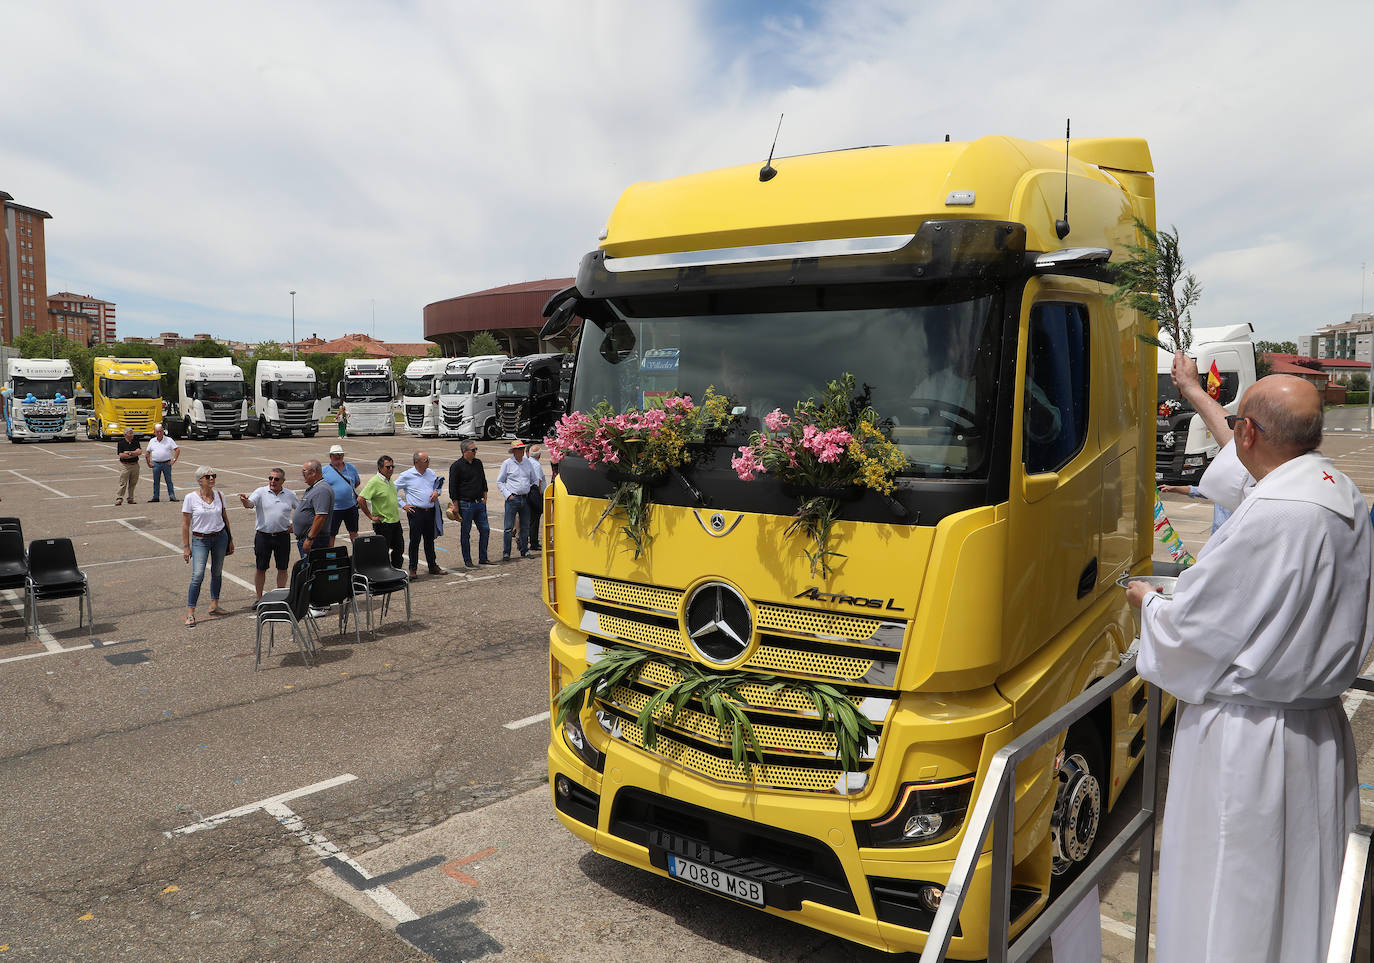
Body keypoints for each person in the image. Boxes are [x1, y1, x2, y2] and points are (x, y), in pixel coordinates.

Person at [1126, 374, 1374, 961]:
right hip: (1316, 731)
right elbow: (1248, 472)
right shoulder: (1340, 494)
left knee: (1234, 891)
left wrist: (1148, 603)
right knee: (1304, 887)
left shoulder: (1275, 517)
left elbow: (1193, 630)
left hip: (1248, 740)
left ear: (1249, 432)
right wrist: (1193, 391)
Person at [181, 466, 234, 627]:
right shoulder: (190, 498)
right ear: (199, 480)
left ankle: (214, 604)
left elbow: (225, 517)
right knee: (198, 575)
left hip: (220, 537)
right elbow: (185, 524)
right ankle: (191, 613)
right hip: (200, 540)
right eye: (207, 476)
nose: (211, 478)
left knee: (217, 572)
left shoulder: (219, 495)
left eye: (213, 476)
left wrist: (230, 539)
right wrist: (186, 546)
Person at [237, 468, 297, 601]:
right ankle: (259, 599)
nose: (272, 481)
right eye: (270, 478)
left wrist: (296, 525)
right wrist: (244, 500)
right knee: (260, 568)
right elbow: (249, 505)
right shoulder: (260, 492)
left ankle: (281, 598)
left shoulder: (290, 494)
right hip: (263, 537)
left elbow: (300, 510)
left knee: (282, 568)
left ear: (283, 481)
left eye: (276, 479)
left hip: (282, 536)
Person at [395, 451, 444, 576]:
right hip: (416, 512)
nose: (428, 461)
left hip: (430, 511)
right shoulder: (407, 475)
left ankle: (432, 566)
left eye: (428, 459)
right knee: (415, 540)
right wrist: (403, 505)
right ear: (417, 462)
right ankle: (413, 569)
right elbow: (392, 489)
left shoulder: (431, 473)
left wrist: (437, 493)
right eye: (426, 460)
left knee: (429, 540)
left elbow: (437, 487)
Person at [448, 440, 493, 568]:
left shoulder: (478, 463)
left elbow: (483, 481)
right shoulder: (456, 466)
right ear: (464, 452)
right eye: (473, 450)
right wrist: (455, 505)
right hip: (465, 504)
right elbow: (453, 488)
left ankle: (483, 558)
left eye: (476, 449)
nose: (475, 452)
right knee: (465, 533)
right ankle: (467, 560)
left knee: (485, 530)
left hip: (479, 503)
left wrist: (485, 498)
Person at [358, 455, 404, 569]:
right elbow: (360, 499)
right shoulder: (374, 482)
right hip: (383, 523)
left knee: (399, 549)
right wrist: (371, 516)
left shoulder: (389, 480)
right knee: (383, 552)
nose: (391, 469)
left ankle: (396, 571)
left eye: (392, 466)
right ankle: (384, 574)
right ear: (380, 468)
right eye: (388, 467)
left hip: (395, 522)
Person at [497, 440, 538, 561]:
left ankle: (524, 550)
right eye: (518, 450)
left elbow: (534, 479)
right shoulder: (507, 463)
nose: (521, 452)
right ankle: (506, 552)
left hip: (525, 498)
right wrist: (508, 495)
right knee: (508, 528)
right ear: (514, 451)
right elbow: (500, 481)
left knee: (525, 527)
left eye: (522, 450)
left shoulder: (528, 463)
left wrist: (529, 491)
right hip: (512, 499)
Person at [322, 444, 361, 546]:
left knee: (353, 532)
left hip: (351, 507)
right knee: (331, 534)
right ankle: (330, 557)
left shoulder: (351, 468)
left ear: (343, 455)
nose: (338, 456)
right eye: (335, 455)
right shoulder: (324, 470)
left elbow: (357, 482)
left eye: (340, 454)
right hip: (334, 509)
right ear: (330, 456)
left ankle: (357, 556)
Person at [293, 459, 333, 558]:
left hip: (315, 541)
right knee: (308, 570)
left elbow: (321, 516)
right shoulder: (314, 488)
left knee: (312, 570)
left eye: (304, 471)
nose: (302, 474)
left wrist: (310, 538)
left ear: (314, 472)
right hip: (311, 539)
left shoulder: (322, 490)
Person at [144, 423, 180, 503]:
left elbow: (177, 449)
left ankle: (172, 496)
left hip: (166, 463)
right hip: (156, 464)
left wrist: (174, 460)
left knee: (169, 481)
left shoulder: (169, 440)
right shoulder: (152, 441)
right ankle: (156, 497)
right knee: (156, 481)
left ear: (163, 431)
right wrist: (148, 463)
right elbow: (147, 453)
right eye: (157, 432)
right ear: (154, 432)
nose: (159, 433)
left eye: (160, 431)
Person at [527, 444, 547, 552]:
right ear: (539, 455)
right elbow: (539, 481)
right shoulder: (536, 465)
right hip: (535, 493)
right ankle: (534, 542)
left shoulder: (527, 462)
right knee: (535, 519)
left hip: (528, 492)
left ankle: (529, 540)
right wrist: (539, 495)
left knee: (530, 518)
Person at [115, 426, 141, 505]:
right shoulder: (121, 443)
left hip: (135, 465)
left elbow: (139, 452)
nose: (132, 435)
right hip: (125, 466)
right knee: (122, 483)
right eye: (130, 433)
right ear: (126, 434)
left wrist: (129, 453)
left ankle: (131, 498)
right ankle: (119, 498)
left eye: (132, 433)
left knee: (133, 483)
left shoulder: (136, 442)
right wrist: (133, 453)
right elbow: (121, 455)